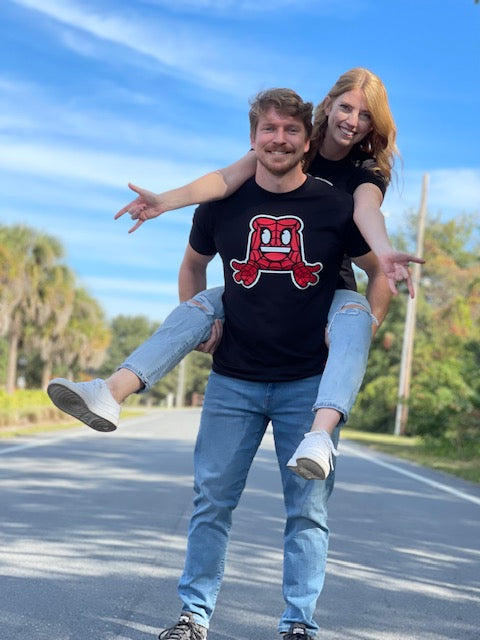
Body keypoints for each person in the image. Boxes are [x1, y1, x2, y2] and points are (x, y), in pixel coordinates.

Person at [47, 68, 421, 480]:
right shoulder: (292, 138)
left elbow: (367, 210)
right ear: (328, 105)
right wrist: (164, 202)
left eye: (366, 116)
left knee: (354, 314)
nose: (352, 120)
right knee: (200, 304)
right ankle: (110, 392)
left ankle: (319, 436)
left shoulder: (365, 170)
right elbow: (225, 179)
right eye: (347, 107)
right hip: (255, 287)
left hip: (322, 292)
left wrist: (384, 254)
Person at [155, 87, 389, 639]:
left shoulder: (342, 198)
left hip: (308, 378)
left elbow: (377, 261)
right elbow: (193, 264)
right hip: (233, 379)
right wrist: (198, 322)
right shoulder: (228, 199)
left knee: (308, 511)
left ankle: (297, 626)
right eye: (269, 130)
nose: (279, 139)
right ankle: (194, 616)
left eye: (290, 131)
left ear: (307, 140)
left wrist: (363, 330)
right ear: (254, 137)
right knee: (211, 501)